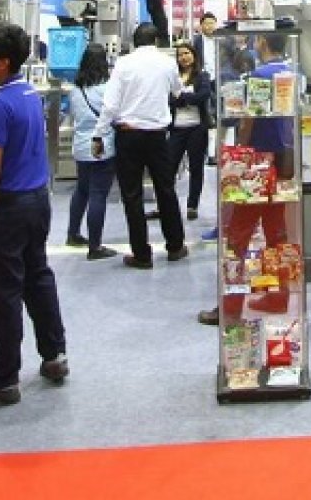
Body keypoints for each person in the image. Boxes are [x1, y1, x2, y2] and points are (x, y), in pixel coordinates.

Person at [0, 23, 67, 406]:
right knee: (38, 276)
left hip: (9, 207)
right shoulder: (29, 95)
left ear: (3, 62)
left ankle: (4, 378)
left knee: (5, 290)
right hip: (38, 201)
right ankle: (55, 354)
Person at [199, 32, 296, 327]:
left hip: (256, 165)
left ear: (262, 42)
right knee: (277, 235)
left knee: (237, 237)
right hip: (285, 164)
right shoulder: (293, 74)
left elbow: (248, 121)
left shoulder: (259, 76)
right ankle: (279, 297)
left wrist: (239, 153)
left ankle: (230, 308)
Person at [92, 21, 187, 268]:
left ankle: (142, 255)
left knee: (132, 195)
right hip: (158, 136)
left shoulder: (123, 64)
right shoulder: (167, 62)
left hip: (128, 136)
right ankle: (175, 246)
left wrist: (98, 135)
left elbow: (110, 104)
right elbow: (178, 92)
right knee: (165, 189)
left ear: (135, 42)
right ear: (155, 41)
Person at [62, 43, 118, 260]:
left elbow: (72, 115)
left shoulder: (75, 89)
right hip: (102, 145)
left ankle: (73, 233)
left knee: (82, 190)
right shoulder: (107, 88)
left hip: (80, 146)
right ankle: (95, 247)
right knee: (98, 194)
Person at [167, 40, 214, 221]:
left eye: (187, 53)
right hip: (177, 129)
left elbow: (203, 95)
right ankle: (167, 204)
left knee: (196, 168)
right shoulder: (173, 77)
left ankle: (192, 205)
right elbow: (169, 99)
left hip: (197, 129)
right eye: (180, 54)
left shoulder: (202, 76)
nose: (184, 57)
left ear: (194, 55)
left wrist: (183, 98)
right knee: (169, 167)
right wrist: (186, 99)